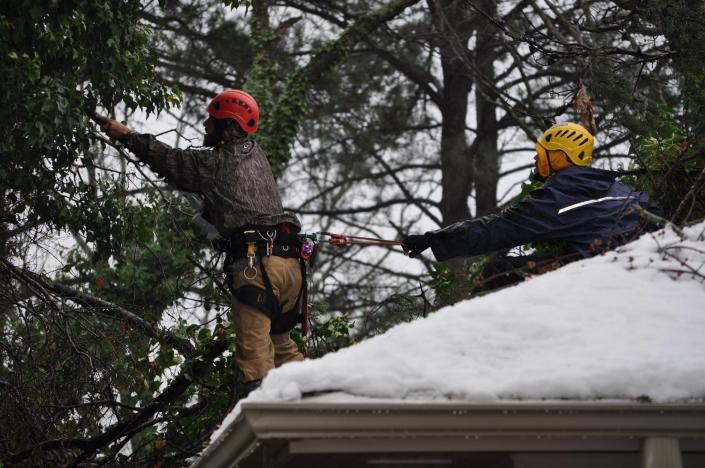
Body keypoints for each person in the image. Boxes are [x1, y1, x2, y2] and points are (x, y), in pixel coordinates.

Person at [95, 89, 305, 393]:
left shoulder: (216, 164)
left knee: (256, 360)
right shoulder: (256, 153)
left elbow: (171, 161)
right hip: (291, 266)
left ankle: (271, 428)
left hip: (257, 265)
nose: (206, 126)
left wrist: (125, 134)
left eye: (213, 121)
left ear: (231, 128)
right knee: (282, 345)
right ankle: (318, 402)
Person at [402, 122, 660, 284]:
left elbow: (498, 228)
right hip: (650, 261)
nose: (536, 161)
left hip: (603, 273)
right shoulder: (621, 188)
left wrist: (433, 240)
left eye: (541, 155)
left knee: (498, 271)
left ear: (558, 156)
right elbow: (656, 217)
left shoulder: (557, 198)